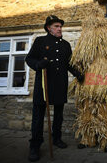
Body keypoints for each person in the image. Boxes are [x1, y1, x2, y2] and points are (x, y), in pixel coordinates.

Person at [25, 15, 83, 162]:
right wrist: (38, 65)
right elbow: (29, 59)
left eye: (60, 26)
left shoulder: (65, 45)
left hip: (59, 84)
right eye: (56, 26)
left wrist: (78, 74)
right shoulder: (40, 41)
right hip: (43, 85)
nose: (59, 29)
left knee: (59, 115)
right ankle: (35, 146)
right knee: (38, 116)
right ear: (49, 28)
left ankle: (57, 138)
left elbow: (69, 64)